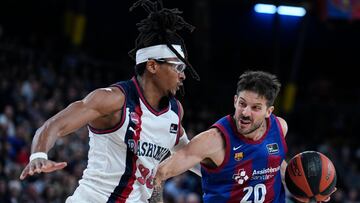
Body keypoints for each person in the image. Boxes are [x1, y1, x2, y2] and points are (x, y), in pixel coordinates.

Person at [19, 0, 200, 202]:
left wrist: (231, 174)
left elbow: (190, 154)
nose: (183, 76)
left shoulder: (175, 111)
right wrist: (38, 156)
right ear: (152, 66)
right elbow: (54, 125)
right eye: (178, 67)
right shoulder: (114, 99)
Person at [155, 70, 335, 203]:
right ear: (235, 101)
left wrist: (308, 190)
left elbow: (276, 163)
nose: (246, 113)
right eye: (242, 104)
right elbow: (160, 173)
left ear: (268, 111)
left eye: (256, 107)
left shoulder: (280, 127)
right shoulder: (213, 140)